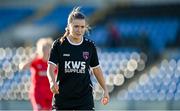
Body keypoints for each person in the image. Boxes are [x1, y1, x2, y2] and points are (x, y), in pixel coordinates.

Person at [47, 7, 110, 110]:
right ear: (69, 26)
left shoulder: (89, 46)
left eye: (82, 27)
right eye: (76, 26)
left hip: (84, 98)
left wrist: (105, 90)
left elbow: (96, 69)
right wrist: (52, 82)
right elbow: (50, 67)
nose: (79, 30)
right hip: (63, 98)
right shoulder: (59, 45)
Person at [19, 37, 56, 111]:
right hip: (38, 93)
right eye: (43, 48)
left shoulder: (53, 63)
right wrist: (33, 57)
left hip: (50, 93)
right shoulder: (36, 61)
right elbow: (22, 67)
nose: (45, 51)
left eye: (47, 48)